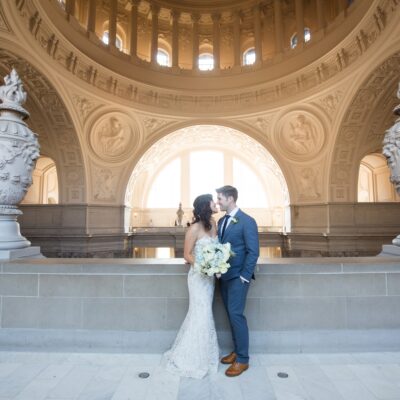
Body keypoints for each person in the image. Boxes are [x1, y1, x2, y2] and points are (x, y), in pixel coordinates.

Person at [163, 194, 220, 379]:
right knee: (200, 312)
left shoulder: (214, 224)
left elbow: (217, 249)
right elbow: (187, 255)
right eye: (213, 201)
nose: (216, 203)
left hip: (210, 279)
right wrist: (206, 266)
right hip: (197, 278)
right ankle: (192, 358)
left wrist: (217, 262)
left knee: (205, 313)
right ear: (206, 205)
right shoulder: (194, 228)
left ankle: (204, 353)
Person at [216, 185, 259, 377]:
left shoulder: (247, 221)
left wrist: (244, 276)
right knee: (231, 316)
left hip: (238, 279)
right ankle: (236, 351)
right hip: (223, 277)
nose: (218, 202)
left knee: (236, 316)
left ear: (231, 198)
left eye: (220, 198)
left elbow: (253, 252)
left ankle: (243, 359)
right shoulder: (221, 221)